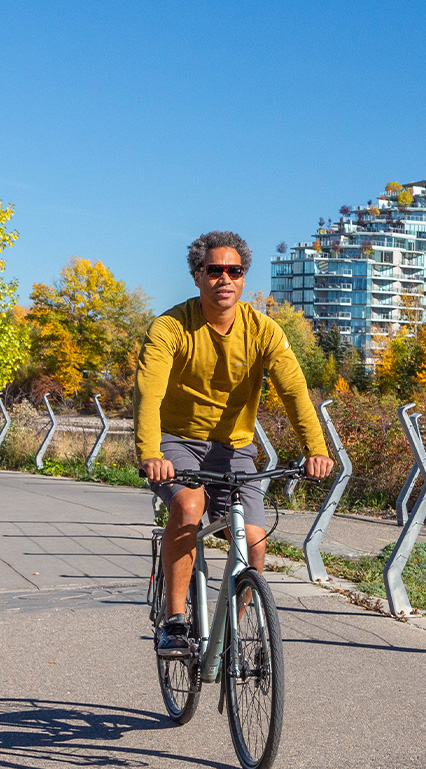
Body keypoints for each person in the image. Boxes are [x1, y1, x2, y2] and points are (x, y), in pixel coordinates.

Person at [135, 230, 334, 656]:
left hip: (234, 447)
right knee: (189, 507)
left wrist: (315, 449)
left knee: (254, 541)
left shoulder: (263, 330)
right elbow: (149, 393)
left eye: (235, 270)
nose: (224, 278)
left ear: (243, 278)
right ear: (197, 276)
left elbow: (294, 392)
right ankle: (175, 621)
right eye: (214, 270)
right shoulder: (171, 327)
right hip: (175, 440)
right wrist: (150, 453)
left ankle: (232, 634)